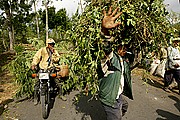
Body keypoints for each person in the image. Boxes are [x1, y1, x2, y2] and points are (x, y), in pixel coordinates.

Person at [98, 6, 133, 120]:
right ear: (117, 48)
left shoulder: (124, 61)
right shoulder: (112, 58)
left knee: (125, 106)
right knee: (116, 116)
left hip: (117, 95)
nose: (124, 50)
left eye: (126, 48)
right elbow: (106, 48)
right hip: (109, 97)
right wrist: (105, 30)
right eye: (122, 48)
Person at [31, 38, 66, 105]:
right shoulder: (42, 50)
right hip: (42, 69)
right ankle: (35, 98)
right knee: (37, 83)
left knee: (58, 82)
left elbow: (57, 59)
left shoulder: (55, 51)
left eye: (52, 44)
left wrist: (54, 55)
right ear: (47, 45)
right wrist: (34, 64)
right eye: (50, 44)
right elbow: (36, 57)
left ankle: (61, 94)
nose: (51, 46)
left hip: (51, 69)